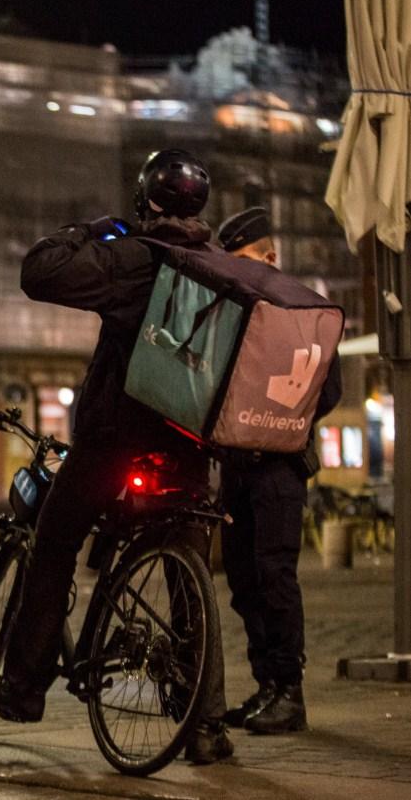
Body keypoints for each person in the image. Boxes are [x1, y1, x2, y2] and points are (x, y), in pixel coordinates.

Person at [0, 149, 235, 763]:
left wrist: (93, 229)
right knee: (191, 584)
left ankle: (24, 685)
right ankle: (207, 728)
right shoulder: (221, 269)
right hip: (191, 449)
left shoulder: (141, 258)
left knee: (55, 539)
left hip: (117, 442)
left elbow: (41, 272)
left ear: (148, 200)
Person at [216, 206, 342, 735]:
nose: (243, 273)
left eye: (248, 261)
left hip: (279, 468)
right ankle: (268, 685)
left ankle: (289, 692)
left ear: (271, 257)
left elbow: (326, 392)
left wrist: (279, 419)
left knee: (274, 576)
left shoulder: (302, 311)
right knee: (245, 582)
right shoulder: (235, 311)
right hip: (238, 466)